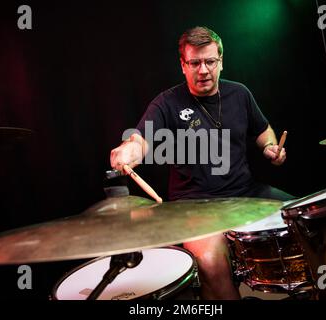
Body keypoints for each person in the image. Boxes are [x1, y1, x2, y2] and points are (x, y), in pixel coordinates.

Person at [110, 26, 293, 299]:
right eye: (195, 63)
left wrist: (269, 146)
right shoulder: (166, 103)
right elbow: (140, 139)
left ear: (221, 61)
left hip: (246, 193)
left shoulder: (239, 93)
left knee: (308, 219)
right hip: (194, 205)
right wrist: (127, 150)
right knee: (210, 263)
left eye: (210, 61)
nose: (203, 70)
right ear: (183, 65)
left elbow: (263, 130)